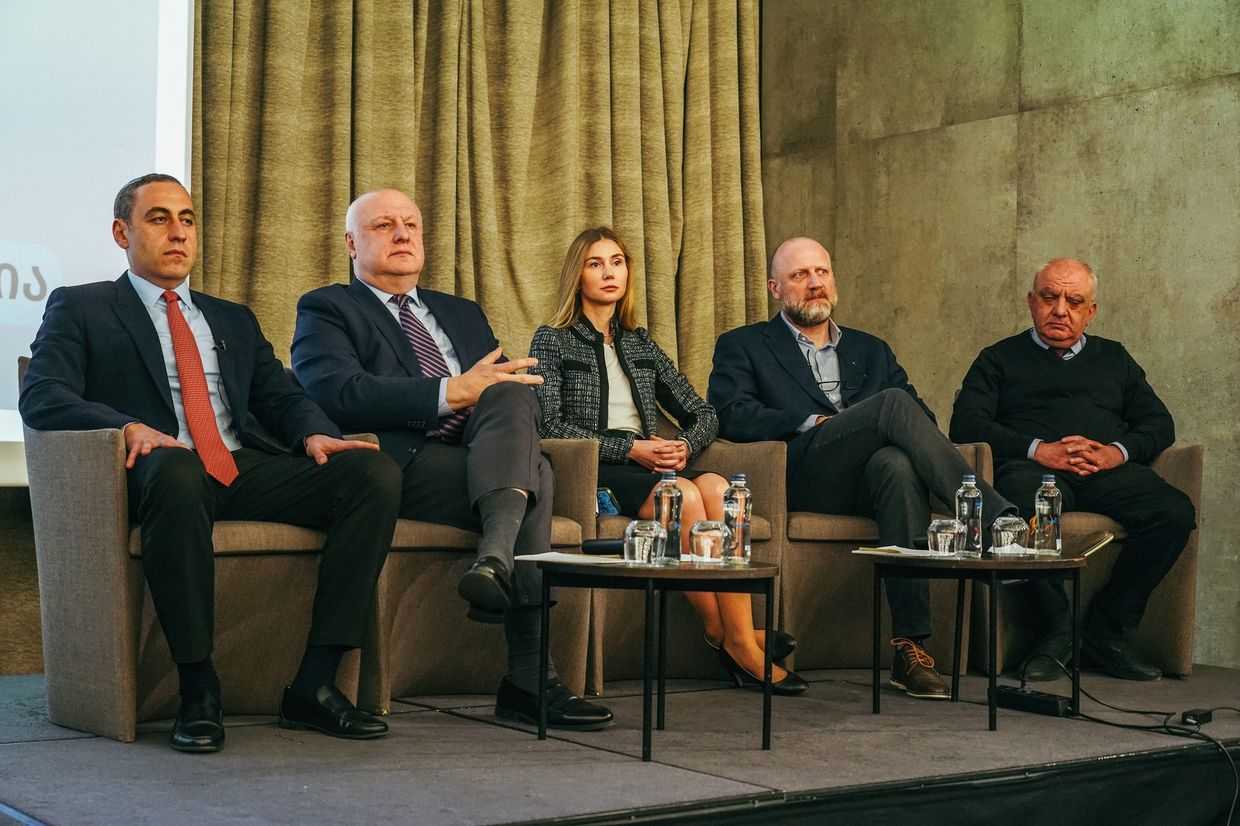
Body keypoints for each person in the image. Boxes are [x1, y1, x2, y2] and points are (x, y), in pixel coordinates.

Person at [20, 174, 401, 753]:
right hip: (157, 472)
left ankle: (316, 683)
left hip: (237, 467)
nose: (178, 232)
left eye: (188, 220)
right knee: (178, 471)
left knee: (372, 474)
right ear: (121, 233)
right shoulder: (82, 306)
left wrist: (316, 435)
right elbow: (44, 394)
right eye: (159, 219)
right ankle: (198, 687)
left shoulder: (230, 318)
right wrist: (127, 426)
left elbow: (280, 396)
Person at [292, 189, 613, 730]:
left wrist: (487, 393)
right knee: (534, 474)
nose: (402, 234)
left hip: (479, 455)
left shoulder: (461, 312)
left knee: (512, 394)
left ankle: (495, 561)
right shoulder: (328, 308)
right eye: (384, 226)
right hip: (404, 461)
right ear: (350, 244)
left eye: (411, 225)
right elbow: (335, 392)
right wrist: (449, 392)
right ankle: (530, 677)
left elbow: (507, 396)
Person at [708, 236, 1018, 700]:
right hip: (803, 472)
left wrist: (875, 429)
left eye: (822, 272)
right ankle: (995, 521)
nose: (815, 283)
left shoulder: (872, 349)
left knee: (897, 466)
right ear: (775, 289)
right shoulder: (744, 345)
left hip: (870, 481)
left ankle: (910, 649)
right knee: (890, 405)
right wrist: (810, 421)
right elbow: (732, 414)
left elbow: (921, 419)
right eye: (800, 275)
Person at [528, 227, 808, 695]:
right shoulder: (553, 340)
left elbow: (703, 412)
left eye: (617, 262)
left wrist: (684, 446)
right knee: (684, 497)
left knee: (718, 488)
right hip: (596, 467)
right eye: (595, 263)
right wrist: (629, 447)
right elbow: (549, 424)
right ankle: (738, 641)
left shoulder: (638, 343)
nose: (609, 272)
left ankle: (728, 632)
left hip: (651, 463)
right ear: (578, 275)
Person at [950, 258, 1195, 681]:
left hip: (1105, 471)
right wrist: (1038, 450)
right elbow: (966, 424)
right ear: (1031, 302)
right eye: (1049, 297)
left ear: (1091, 311)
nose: (1060, 310)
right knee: (1020, 509)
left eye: (1074, 301)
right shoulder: (999, 359)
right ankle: (1057, 632)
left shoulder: (1114, 358)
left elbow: (1159, 423)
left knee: (1174, 512)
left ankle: (1106, 631)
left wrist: (1115, 453)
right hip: (1033, 471)